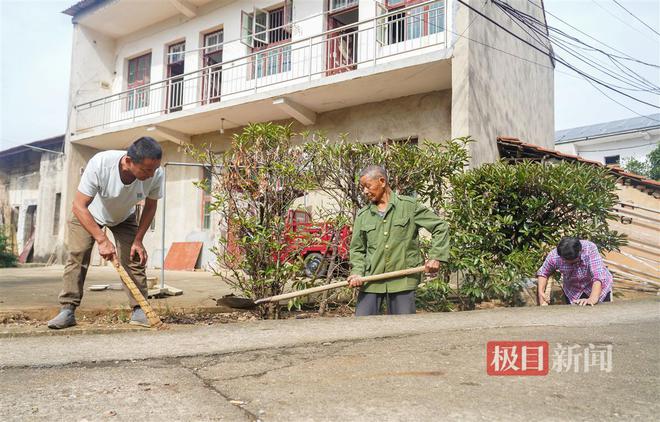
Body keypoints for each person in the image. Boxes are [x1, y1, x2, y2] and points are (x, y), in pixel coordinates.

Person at [47, 137, 164, 329]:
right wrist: (101, 240)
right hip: (88, 213)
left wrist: (139, 240)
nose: (151, 175)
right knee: (78, 254)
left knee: (133, 259)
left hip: (124, 216)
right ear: (128, 161)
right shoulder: (101, 164)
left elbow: (150, 207)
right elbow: (78, 205)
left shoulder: (156, 173)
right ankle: (67, 310)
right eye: (145, 170)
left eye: (154, 169)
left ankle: (139, 310)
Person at [347, 165, 449, 316]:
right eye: (363, 188)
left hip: (403, 280)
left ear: (382, 181)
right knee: (361, 326)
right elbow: (357, 249)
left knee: (404, 330)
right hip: (370, 280)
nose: (365, 191)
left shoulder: (409, 206)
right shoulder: (363, 215)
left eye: (367, 186)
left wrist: (436, 256)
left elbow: (440, 227)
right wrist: (356, 272)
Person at [536, 237, 613, 306]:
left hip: (597, 290)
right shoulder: (554, 256)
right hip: (573, 292)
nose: (567, 262)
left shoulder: (590, 249)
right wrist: (541, 292)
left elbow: (598, 276)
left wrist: (592, 298)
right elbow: (543, 273)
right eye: (565, 260)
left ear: (580, 252)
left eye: (572, 261)